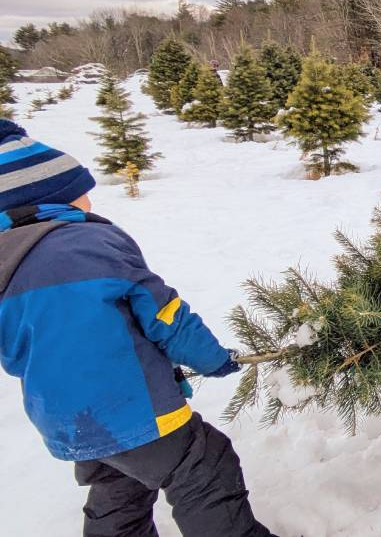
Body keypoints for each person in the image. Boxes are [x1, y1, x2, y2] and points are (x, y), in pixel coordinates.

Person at [0, 119, 275, 536]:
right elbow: (165, 314)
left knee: (120, 481)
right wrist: (214, 359)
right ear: (50, 198)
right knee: (202, 464)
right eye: (81, 189)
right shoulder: (91, 244)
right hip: (128, 406)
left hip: (63, 418)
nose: (89, 198)